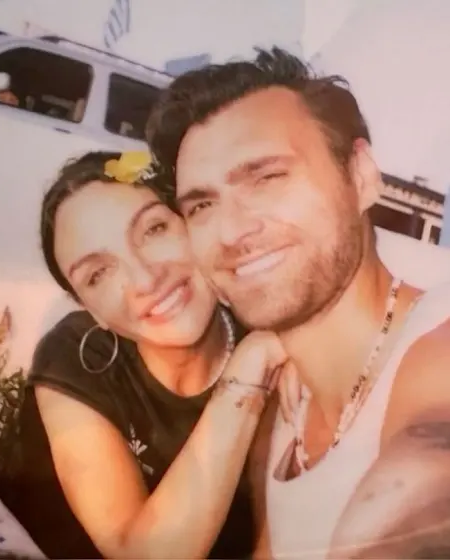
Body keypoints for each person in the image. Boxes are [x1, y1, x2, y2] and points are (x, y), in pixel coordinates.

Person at [146, 47, 450, 558]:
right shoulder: (283, 414)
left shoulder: (438, 352)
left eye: (266, 178)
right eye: (201, 205)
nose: (231, 232)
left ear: (360, 176)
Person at [15, 150, 293, 559]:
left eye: (154, 229)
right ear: (92, 311)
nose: (145, 279)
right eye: (98, 273)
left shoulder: (281, 343)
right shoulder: (72, 355)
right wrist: (244, 378)